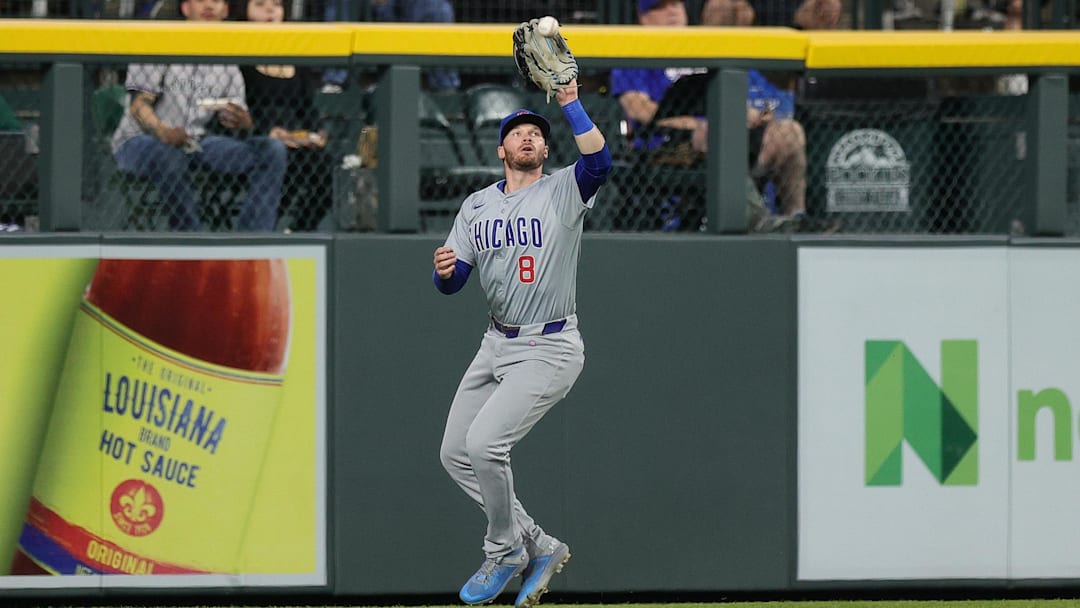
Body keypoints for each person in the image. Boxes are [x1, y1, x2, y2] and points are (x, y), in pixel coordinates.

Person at [432, 80, 611, 608]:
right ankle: (539, 545)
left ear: (547, 149)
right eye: (518, 133)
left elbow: (599, 164)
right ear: (501, 149)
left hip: (550, 345)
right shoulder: (477, 206)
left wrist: (570, 104)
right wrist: (443, 272)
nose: (527, 138)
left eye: (536, 133)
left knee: (486, 445)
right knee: (454, 454)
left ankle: (504, 550)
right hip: (496, 342)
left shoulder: (562, 190)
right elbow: (454, 280)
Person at [610, 0, 809, 227]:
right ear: (643, 19)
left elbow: (742, 96)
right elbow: (641, 111)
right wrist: (699, 123)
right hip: (668, 145)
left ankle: (797, 217)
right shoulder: (634, 54)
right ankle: (756, 219)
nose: (672, 12)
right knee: (711, 133)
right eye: (661, 8)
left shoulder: (705, 47)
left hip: (728, 132)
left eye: (675, 4)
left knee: (789, 132)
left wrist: (750, 114)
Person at [110, 0, 287, 231]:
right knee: (168, 155)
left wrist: (242, 122)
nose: (209, 6)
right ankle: (190, 240)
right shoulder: (159, 43)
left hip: (197, 142)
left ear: (225, 10)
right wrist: (163, 131)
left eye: (217, 1)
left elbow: (237, 118)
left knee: (271, 151)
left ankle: (250, 243)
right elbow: (139, 107)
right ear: (185, 8)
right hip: (141, 141)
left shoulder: (228, 60)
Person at [239, 0, 335, 231]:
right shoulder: (239, 59)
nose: (271, 10)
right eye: (260, 4)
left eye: (277, 4)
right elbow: (240, 108)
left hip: (297, 138)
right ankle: (265, 230)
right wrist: (269, 132)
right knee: (278, 155)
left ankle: (298, 231)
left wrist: (316, 132)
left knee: (323, 164)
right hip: (258, 137)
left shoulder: (295, 58)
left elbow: (306, 106)